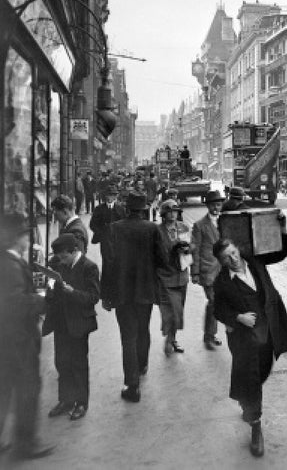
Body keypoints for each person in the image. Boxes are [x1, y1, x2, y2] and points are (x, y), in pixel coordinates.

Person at [213, 228, 287, 458]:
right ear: (221, 262)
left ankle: (246, 399)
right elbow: (217, 309)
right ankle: (256, 428)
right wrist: (238, 318)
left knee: (262, 371)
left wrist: (285, 233)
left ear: (238, 249)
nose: (233, 259)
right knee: (251, 379)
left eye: (233, 253)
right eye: (226, 258)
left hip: (268, 329)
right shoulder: (221, 282)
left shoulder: (256, 262)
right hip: (244, 337)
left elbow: (280, 253)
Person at [0, 212, 54, 459]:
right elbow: (14, 303)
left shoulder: (8, 261)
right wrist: (41, 298)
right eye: (25, 235)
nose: (28, 239)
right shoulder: (10, 266)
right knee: (27, 389)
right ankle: (25, 444)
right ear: (17, 238)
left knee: (5, 389)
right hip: (18, 340)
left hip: (8, 340)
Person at [108, 191, 166, 403]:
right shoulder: (152, 229)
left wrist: (107, 295)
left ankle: (132, 386)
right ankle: (142, 365)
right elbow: (162, 260)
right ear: (143, 210)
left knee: (127, 337)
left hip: (123, 292)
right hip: (146, 291)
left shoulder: (115, 228)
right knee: (143, 329)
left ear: (126, 208)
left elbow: (109, 264)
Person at [42, 234, 100, 422]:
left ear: (74, 251)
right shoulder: (58, 265)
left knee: (78, 363)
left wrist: (72, 292)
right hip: (60, 321)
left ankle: (81, 402)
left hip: (78, 323)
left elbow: (93, 297)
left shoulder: (89, 267)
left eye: (64, 257)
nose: (61, 260)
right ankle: (66, 400)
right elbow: (51, 288)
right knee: (62, 361)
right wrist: (50, 288)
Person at [157, 200, 192, 356]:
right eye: (169, 211)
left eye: (175, 211)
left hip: (182, 276)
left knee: (179, 311)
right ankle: (170, 338)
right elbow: (155, 254)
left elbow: (192, 248)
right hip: (165, 277)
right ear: (163, 214)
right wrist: (173, 247)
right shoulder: (157, 231)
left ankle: (172, 337)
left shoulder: (183, 228)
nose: (172, 214)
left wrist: (187, 248)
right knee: (171, 311)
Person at [191, 189, 224, 350]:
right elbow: (195, 250)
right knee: (213, 302)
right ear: (208, 206)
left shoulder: (225, 222)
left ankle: (212, 333)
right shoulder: (199, 226)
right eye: (213, 205)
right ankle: (209, 336)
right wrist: (195, 272)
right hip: (207, 270)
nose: (216, 208)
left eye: (218, 204)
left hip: (223, 270)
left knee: (218, 302)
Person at [89, 183, 125, 304]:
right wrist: (102, 233)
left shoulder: (120, 209)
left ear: (115, 197)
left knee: (117, 263)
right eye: (108, 195)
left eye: (113, 195)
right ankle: (106, 293)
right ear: (105, 196)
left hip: (118, 241)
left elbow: (125, 224)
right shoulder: (99, 209)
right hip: (105, 241)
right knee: (107, 264)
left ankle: (116, 290)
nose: (110, 197)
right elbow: (92, 224)